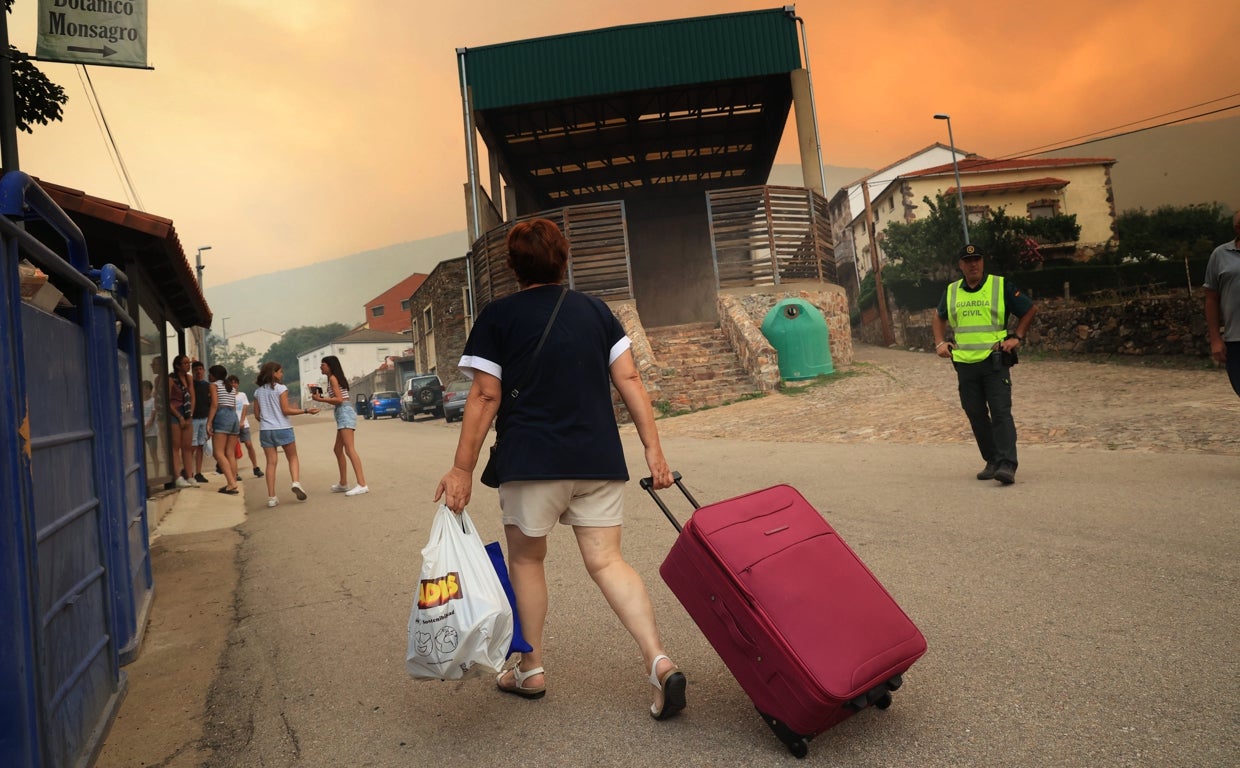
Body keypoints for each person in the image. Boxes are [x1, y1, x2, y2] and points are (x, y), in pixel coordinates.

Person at [434, 218, 685, 720]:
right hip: (598, 459)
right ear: (563, 259)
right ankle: (658, 660)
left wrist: (461, 469)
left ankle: (531, 669)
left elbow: (485, 394)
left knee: (527, 560)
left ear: (512, 267)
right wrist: (654, 452)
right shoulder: (597, 312)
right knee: (608, 562)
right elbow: (629, 378)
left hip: (531, 461)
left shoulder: (497, 316)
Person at [933, 244, 1037, 485]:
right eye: (968, 261)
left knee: (1000, 412)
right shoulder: (951, 291)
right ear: (960, 265)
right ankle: (992, 460)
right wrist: (939, 343)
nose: (973, 264)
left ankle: (1007, 465)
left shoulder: (1000, 286)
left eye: (977, 259)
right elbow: (939, 316)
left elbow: (1029, 309)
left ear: (983, 262)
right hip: (965, 364)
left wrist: (1017, 337)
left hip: (995, 361)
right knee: (975, 413)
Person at [252, 361, 319, 508]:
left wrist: (267, 420)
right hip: (283, 427)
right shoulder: (281, 388)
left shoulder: (258, 392)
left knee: (271, 463)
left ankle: (271, 497)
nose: (282, 374)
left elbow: (257, 415)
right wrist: (306, 411)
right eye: (280, 371)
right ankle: (295, 482)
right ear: (274, 373)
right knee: (292, 457)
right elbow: (286, 410)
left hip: (265, 430)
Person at [311, 355, 368, 496]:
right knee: (337, 449)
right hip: (342, 412)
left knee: (349, 449)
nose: (321, 367)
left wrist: (320, 399)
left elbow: (339, 400)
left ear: (330, 366)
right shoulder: (332, 379)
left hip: (344, 412)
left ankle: (362, 484)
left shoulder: (333, 378)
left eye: (323, 364)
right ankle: (343, 483)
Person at [1204, 210, 1240, 398]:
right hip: (1235, 340)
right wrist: (1216, 339)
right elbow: (1211, 299)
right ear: (1237, 228)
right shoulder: (1220, 255)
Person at [206, 365, 242, 495]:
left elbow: (215, 404)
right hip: (233, 417)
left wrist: (209, 422)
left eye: (210, 374)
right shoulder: (230, 387)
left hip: (222, 415)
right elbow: (232, 406)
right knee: (230, 453)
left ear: (214, 375)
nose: (208, 376)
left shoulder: (214, 385)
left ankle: (231, 483)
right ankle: (233, 482)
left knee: (218, 453)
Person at [167, 354, 197, 488]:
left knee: (187, 446)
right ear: (177, 366)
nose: (187, 365)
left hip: (187, 413)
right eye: (184, 363)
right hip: (175, 413)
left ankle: (190, 475)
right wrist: (179, 417)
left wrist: (189, 415)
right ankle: (177, 476)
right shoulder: (171, 379)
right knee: (176, 446)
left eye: (188, 363)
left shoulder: (189, 378)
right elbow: (166, 401)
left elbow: (192, 397)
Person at [228, 374, 264, 477]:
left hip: (243, 423)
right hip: (232, 425)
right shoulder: (228, 396)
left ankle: (255, 467)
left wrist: (242, 421)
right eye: (231, 382)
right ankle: (235, 472)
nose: (233, 384)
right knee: (234, 448)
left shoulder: (242, 395)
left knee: (249, 445)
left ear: (238, 384)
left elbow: (245, 408)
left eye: (235, 382)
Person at [190, 360, 212, 483]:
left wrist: (210, 421)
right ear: (193, 371)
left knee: (200, 446)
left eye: (200, 369)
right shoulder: (190, 385)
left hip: (204, 418)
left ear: (204, 371)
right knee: (192, 446)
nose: (198, 371)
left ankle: (198, 472)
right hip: (193, 419)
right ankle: (188, 471)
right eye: (196, 369)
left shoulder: (208, 386)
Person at [141, 380, 161, 475]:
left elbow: (152, 418)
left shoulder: (153, 401)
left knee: (153, 454)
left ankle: (156, 474)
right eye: (143, 388)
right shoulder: (139, 402)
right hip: (141, 432)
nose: (145, 390)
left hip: (151, 432)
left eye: (147, 388)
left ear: (150, 390)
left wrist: (144, 428)